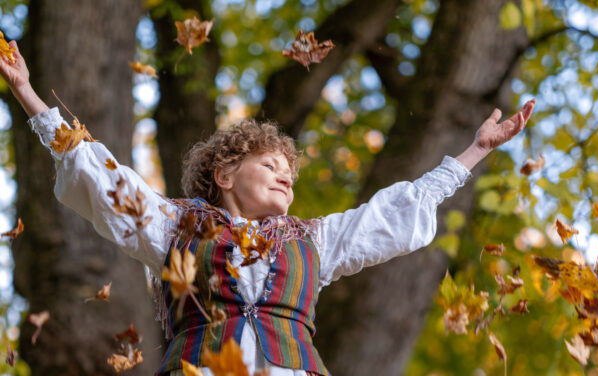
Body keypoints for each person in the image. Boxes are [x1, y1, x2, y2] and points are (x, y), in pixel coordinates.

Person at [0, 40, 535, 376]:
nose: (285, 176)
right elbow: (101, 177)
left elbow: (393, 214)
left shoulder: (314, 242)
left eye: (290, 173)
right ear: (225, 174)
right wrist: (28, 94)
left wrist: (476, 151)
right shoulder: (173, 228)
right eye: (269, 165)